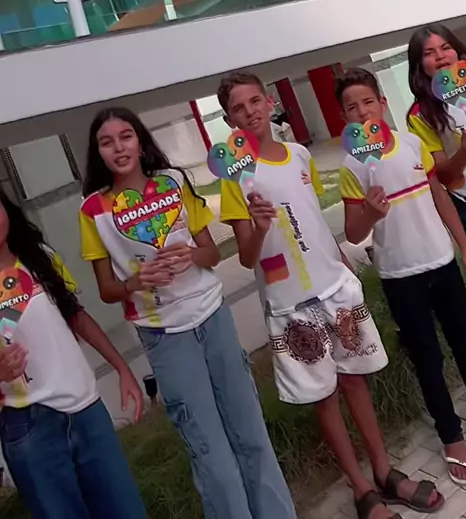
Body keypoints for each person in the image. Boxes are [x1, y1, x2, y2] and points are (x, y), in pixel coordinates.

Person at [218, 71, 440, 519]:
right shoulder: (234, 177)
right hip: (289, 304)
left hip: (334, 288)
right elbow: (246, 257)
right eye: (238, 108)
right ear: (229, 120)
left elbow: (312, 219)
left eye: (255, 101)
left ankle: (383, 471)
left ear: (269, 101)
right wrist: (259, 227)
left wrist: (339, 259)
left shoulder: (299, 155)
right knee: (325, 394)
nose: (250, 112)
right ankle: (361, 489)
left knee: (356, 378)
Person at [80, 107, 297, 519]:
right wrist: (136, 281)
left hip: (212, 316)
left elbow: (211, 253)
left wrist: (190, 255)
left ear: (140, 141)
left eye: (125, 137)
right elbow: (107, 290)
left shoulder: (174, 181)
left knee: (250, 432)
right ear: (98, 153)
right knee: (208, 449)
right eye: (106, 142)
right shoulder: (93, 210)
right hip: (164, 336)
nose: (118, 148)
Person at [337, 67, 466, 486]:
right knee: (428, 360)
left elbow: (440, 195)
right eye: (351, 107)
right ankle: (452, 439)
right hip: (400, 277)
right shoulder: (351, 167)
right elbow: (353, 233)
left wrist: (465, 248)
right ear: (344, 117)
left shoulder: (413, 144)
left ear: (382, 103)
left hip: (442, 263)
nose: (362, 111)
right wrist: (370, 212)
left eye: (368, 102)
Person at [0, 189, 146, 519]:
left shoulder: (39, 258)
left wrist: (121, 367)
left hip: (87, 410)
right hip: (30, 426)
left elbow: (75, 314)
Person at [407, 23, 466, 256]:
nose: (440, 56)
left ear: (458, 51)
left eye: (446, 47)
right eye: (429, 53)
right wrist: (465, 152)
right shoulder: (420, 115)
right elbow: (444, 176)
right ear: (419, 66)